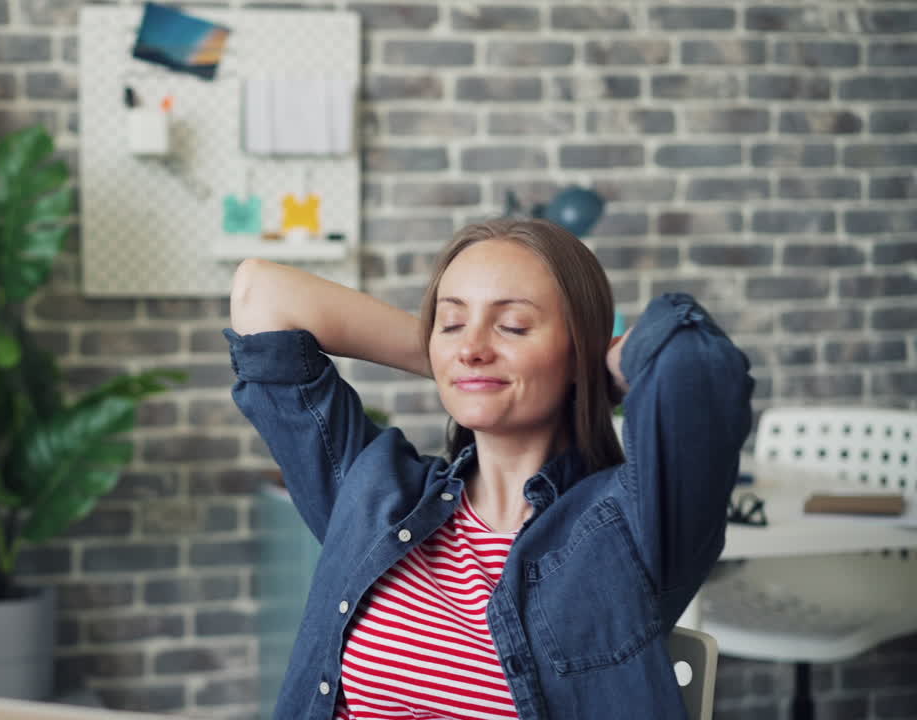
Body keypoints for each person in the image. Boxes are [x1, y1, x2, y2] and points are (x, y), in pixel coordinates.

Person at [225, 218, 754, 720]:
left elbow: (693, 363)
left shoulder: (627, 530)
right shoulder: (377, 493)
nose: (474, 346)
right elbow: (260, 294)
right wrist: (451, 359)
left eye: (513, 326)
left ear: (577, 352)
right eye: (451, 322)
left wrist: (596, 365)